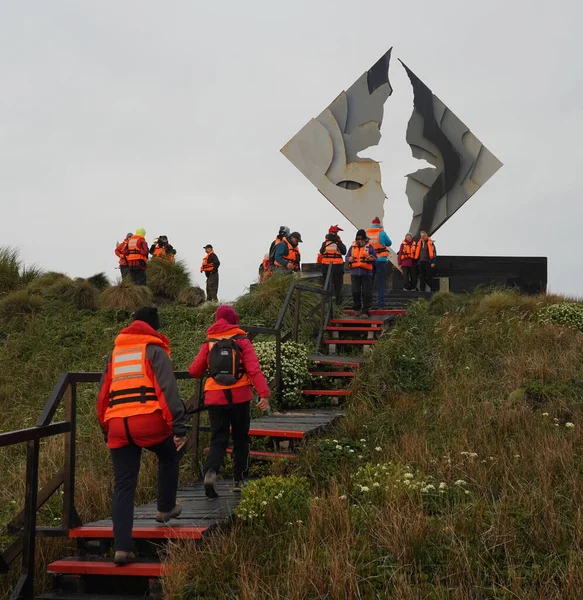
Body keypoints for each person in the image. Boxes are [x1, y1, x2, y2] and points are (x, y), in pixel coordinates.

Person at [96, 307, 186, 566]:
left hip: (117, 425)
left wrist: (106, 429)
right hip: (148, 422)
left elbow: (103, 397)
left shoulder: (114, 355)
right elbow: (167, 392)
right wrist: (178, 428)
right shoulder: (154, 351)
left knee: (123, 485)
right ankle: (165, 507)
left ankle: (122, 548)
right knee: (170, 452)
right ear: (153, 328)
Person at [188, 305, 270, 497]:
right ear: (234, 320)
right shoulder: (242, 340)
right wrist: (264, 394)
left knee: (218, 438)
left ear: (217, 320)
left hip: (215, 398)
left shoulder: (209, 342)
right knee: (241, 438)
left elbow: (194, 371)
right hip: (240, 396)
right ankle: (239, 479)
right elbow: (254, 370)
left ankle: (210, 472)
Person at [345, 229, 377, 318]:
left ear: (364, 238)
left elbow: (375, 258)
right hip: (354, 273)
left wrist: (372, 259)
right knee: (355, 292)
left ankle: (365, 311)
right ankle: (357, 309)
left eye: (361, 239)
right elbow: (346, 257)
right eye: (358, 239)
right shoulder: (352, 247)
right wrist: (349, 259)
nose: (359, 241)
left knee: (366, 293)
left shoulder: (370, 247)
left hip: (366, 273)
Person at [366, 217, 392, 308]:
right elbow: (389, 243)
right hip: (381, 260)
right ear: (379, 224)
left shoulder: (367, 233)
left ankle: (368, 302)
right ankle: (381, 302)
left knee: (370, 282)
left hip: (370, 260)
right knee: (381, 282)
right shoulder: (382, 233)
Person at [317, 225, 347, 304]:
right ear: (336, 233)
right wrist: (339, 241)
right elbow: (344, 251)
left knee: (326, 286)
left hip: (326, 266)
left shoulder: (325, 243)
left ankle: (326, 304)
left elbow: (321, 251)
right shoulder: (338, 243)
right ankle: (338, 304)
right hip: (337, 266)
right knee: (338, 287)